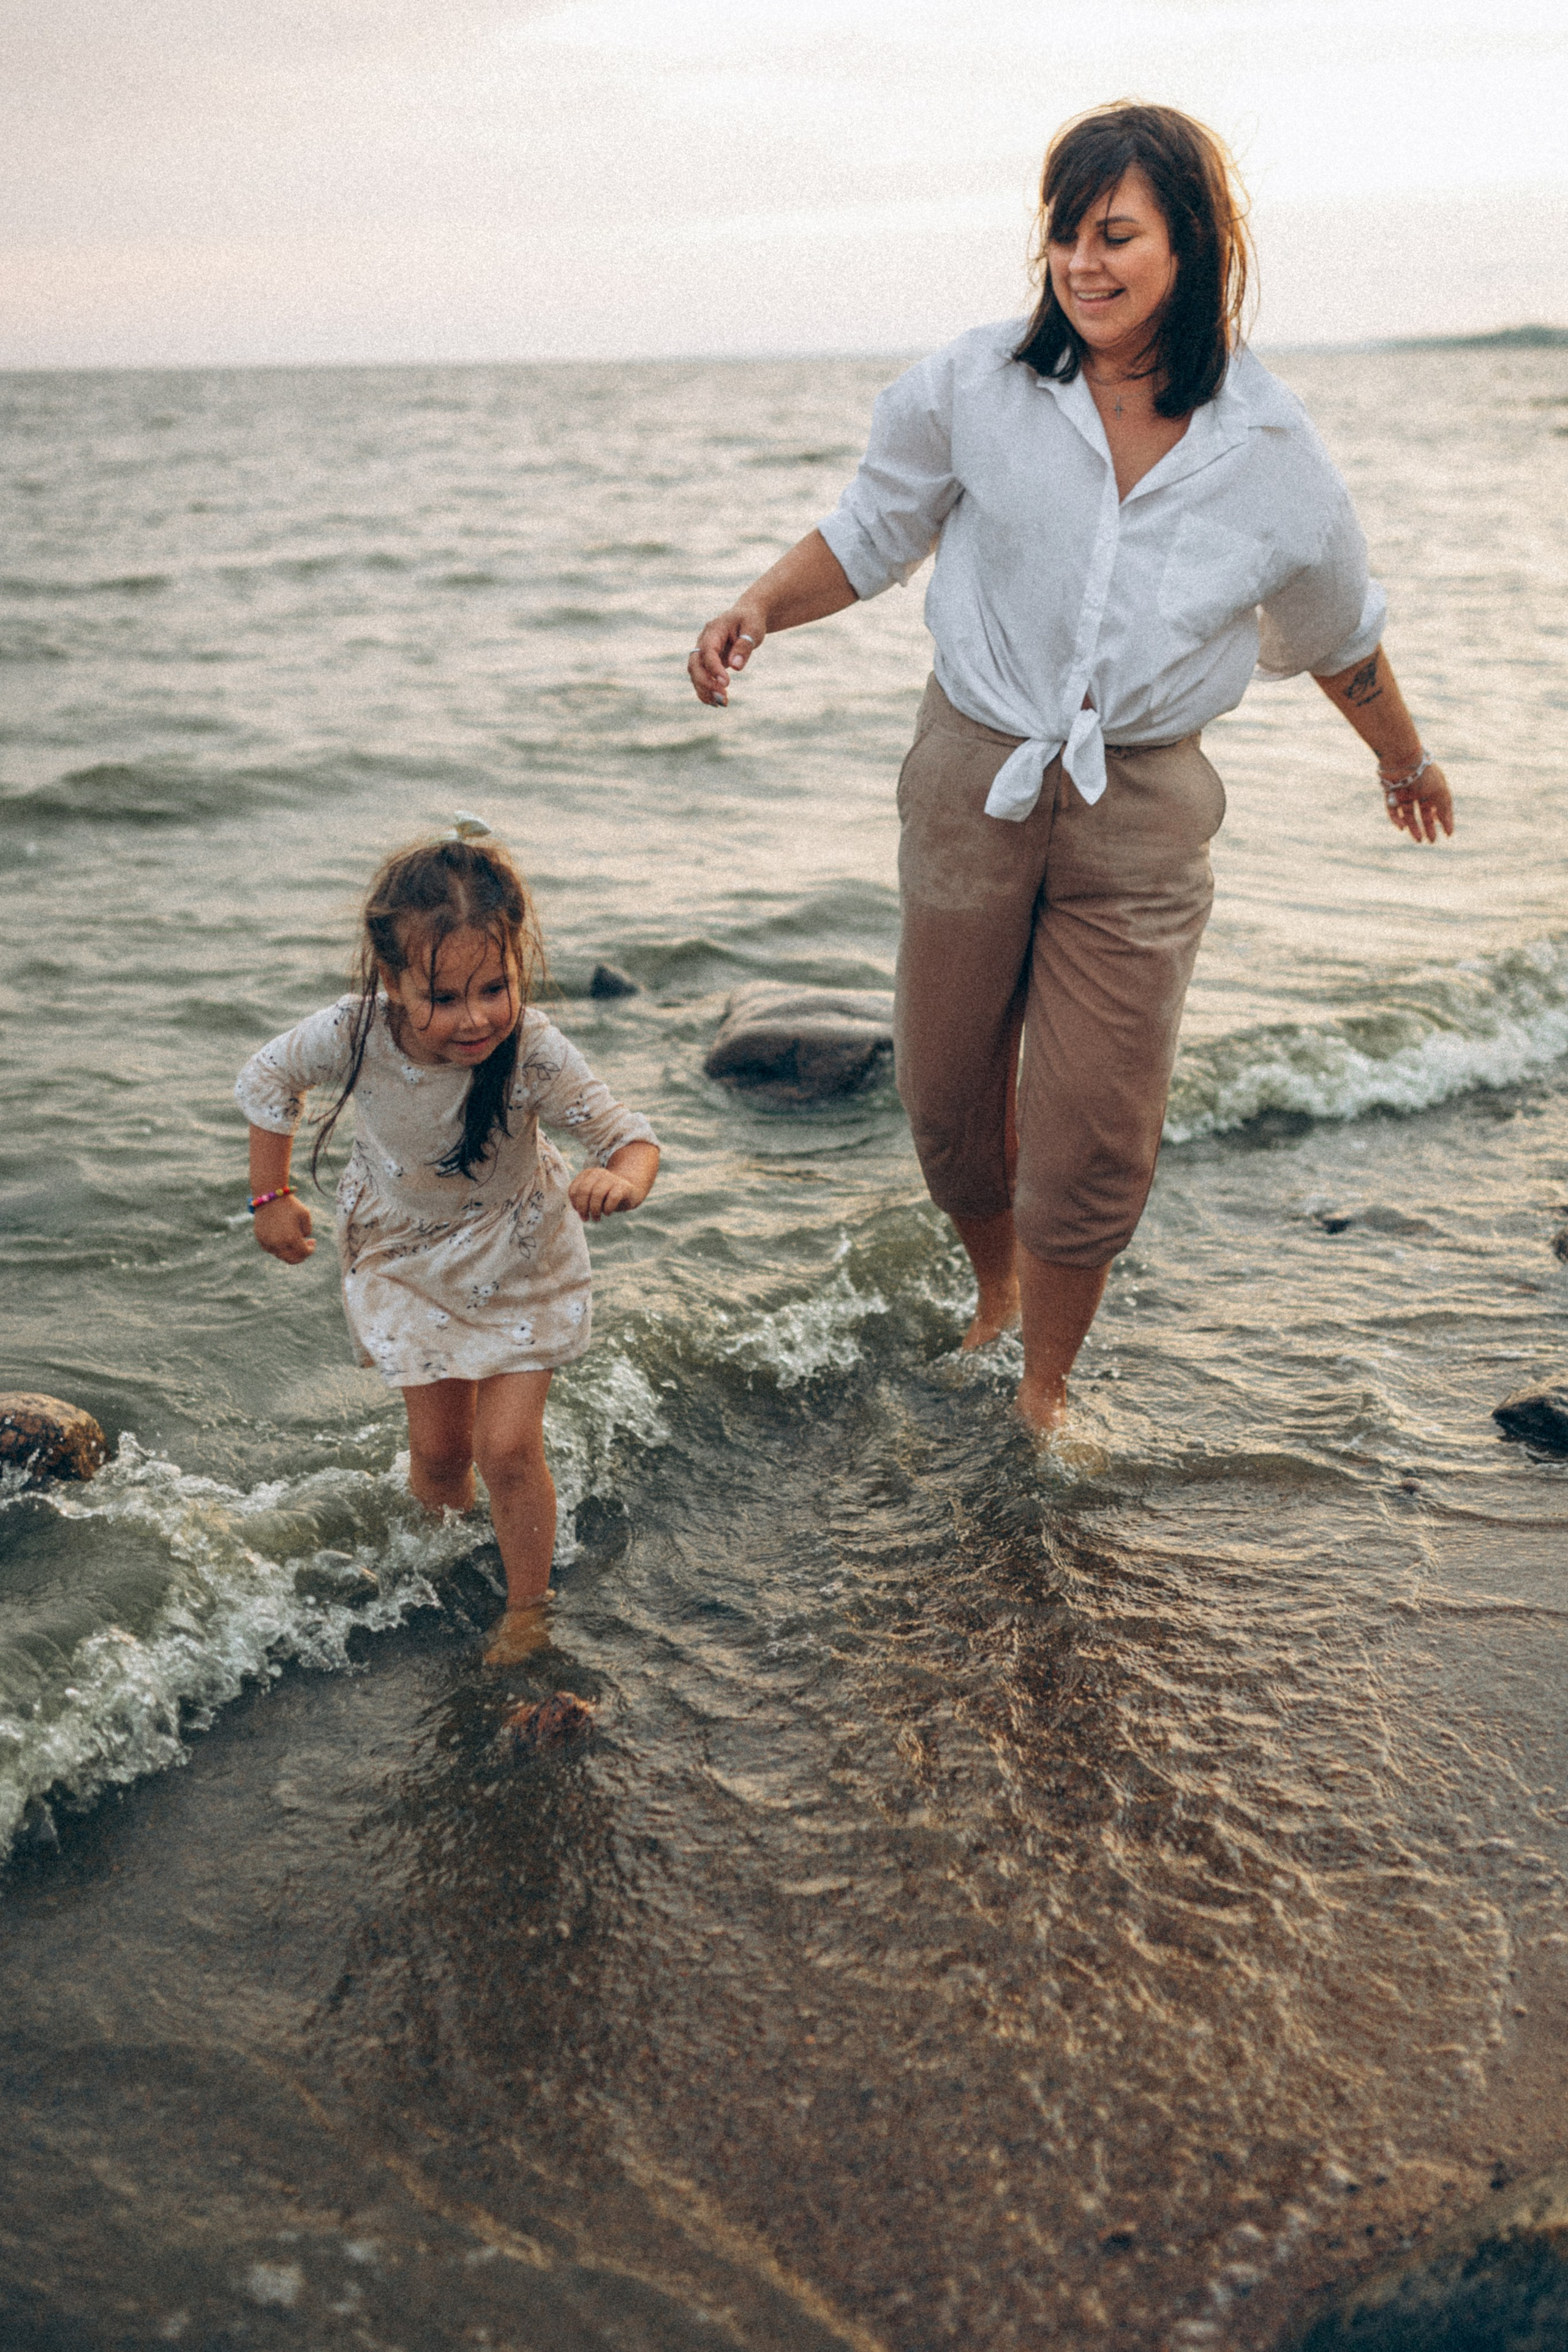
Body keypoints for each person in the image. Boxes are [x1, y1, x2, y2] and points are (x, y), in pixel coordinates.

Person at [688, 99, 1453, 1434]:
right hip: (969, 774)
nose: (1082, 266)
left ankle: (1040, 1391)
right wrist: (758, 606)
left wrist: (1401, 758)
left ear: (1192, 245)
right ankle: (992, 1292)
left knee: (1095, 1127)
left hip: (1140, 808)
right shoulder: (975, 384)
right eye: (1062, 237)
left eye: (1115, 236)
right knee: (941, 1104)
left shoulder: (1271, 455)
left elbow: (1337, 637)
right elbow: (873, 527)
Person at [235, 820, 659, 1663]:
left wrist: (623, 1179)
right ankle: (441, 1576)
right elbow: (268, 1079)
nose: (475, 1019)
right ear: (390, 980)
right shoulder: (355, 1032)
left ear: (516, 964)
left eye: (494, 988)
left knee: (504, 1448)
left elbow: (628, 1137)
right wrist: (270, 1196)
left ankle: (528, 1611)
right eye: (443, 998)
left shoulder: (532, 1047)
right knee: (437, 1456)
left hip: (522, 1249)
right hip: (405, 1254)